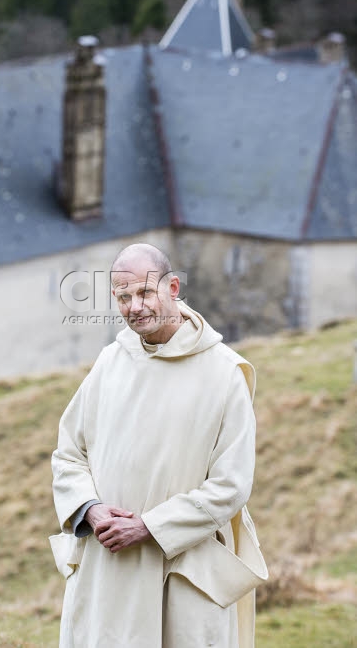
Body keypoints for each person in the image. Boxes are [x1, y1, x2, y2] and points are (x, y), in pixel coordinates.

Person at [49, 242, 268, 648]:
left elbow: (231, 485)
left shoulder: (224, 374)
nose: (134, 307)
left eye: (145, 293)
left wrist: (149, 526)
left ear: (172, 287)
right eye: (123, 297)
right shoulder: (109, 362)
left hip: (182, 570)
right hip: (107, 568)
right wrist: (90, 509)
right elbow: (68, 455)